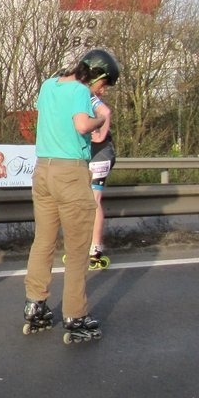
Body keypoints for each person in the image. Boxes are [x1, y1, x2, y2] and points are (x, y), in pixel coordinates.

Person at [22, 48, 120, 343]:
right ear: (97, 75)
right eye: (104, 84)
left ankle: (35, 303)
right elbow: (81, 125)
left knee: (43, 241)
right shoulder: (80, 91)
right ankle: (75, 315)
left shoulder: (48, 85)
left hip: (43, 170)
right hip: (70, 172)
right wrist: (99, 120)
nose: (102, 91)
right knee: (77, 250)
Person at [87, 88, 115, 269]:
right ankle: (85, 245)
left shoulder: (85, 93)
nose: (103, 90)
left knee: (94, 200)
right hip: (88, 152)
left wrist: (101, 135)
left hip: (100, 152)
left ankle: (95, 249)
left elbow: (106, 112)